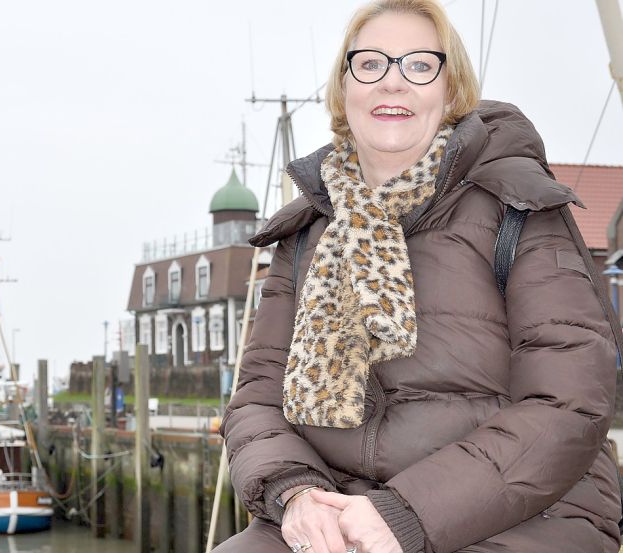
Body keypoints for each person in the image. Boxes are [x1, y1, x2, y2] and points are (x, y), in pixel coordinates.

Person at [214, 1, 623, 552]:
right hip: (337, 504)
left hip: (523, 512)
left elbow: (569, 403)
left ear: (451, 91)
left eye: (419, 66)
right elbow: (258, 399)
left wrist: (406, 513)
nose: (393, 84)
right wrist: (296, 492)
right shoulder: (306, 234)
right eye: (371, 64)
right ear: (343, 90)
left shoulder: (520, 211)